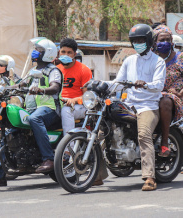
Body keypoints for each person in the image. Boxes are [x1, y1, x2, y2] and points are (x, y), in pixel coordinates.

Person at [114, 24, 166, 191]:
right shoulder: (128, 60)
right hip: (129, 105)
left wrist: (145, 84)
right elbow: (117, 83)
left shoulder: (158, 61)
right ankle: (97, 175)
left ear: (149, 41)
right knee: (102, 130)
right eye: (134, 41)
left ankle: (150, 177)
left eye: (140, 40)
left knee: (144, 134)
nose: (137, 43)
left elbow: (158, 85)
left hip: (148, 105)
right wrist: (99, 84)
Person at [57, 38, 107, 186]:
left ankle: (68, 147)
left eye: (69, 52)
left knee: (67, 111)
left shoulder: (83, 70)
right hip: (58, 104)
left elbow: (87, 97)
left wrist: (74, 100)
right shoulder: (56, 69)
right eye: (63, 52)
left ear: (74, 54)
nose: (65, 54)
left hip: (79, 107)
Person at [22, 37, 63, 173]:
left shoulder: (53, 71)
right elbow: (22, 84)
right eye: (35, 49)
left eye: (38, 50)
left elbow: (55, 87)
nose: (35, 52)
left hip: (51, 109)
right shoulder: (33, 71)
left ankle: (49, 158)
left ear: (47, 53)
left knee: (35, 119)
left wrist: (41, 90)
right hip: (33, 108)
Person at [0, 55, 20, 187]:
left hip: (11, 114)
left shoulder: (16, 79)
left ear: (8, 66)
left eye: (1, 65)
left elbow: (20, 92)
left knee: (1, 143)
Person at [152, 25, 183, 159]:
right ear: (154, 43)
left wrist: (180, 93)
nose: (164, 42)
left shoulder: (180, 57)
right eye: (161, 40)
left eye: (167, 39)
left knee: (165, 101)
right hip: (154, 95)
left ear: (172, 42)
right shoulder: (151, 59)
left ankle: (165, 143)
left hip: (176, 98)